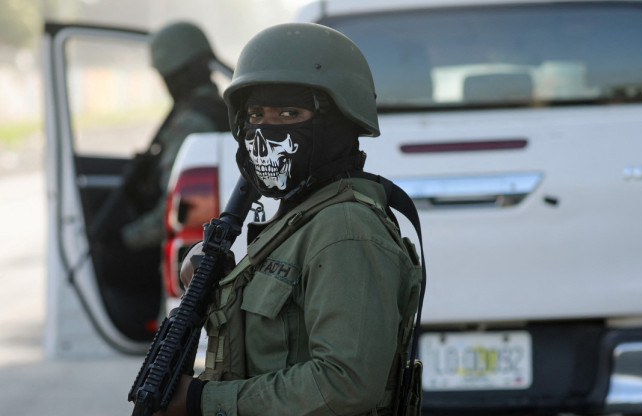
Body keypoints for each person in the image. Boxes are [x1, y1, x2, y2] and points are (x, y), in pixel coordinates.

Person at [157, 22, 423, 416]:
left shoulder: (346, 230)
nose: (265, 129)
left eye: (288, 112)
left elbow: (345, 384)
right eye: (255, 113)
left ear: (340, 119)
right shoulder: (301, 217)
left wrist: (200, 401)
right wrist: (219, 285)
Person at [119, 21, 230, 250]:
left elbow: (177, 210)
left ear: (180, 73)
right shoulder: (220, 108)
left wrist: (126, 239)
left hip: (193, 252)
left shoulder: (192, 122)